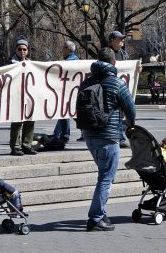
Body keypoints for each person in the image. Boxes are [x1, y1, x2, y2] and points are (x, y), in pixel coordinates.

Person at [82, 47, 136, 231]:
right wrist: (130, 125)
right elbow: (131, 108)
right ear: (113, 62)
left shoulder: (86, 81)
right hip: (108, 136)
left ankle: (101, 212)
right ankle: (96, 218)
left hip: (89, 136)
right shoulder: (116, 83)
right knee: (106, 177)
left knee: (104, 175)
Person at [9, 38, 37, 156]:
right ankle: (15, 146)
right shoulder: (10, 64)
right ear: (15, 50)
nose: (22, 51)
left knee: (30, 120)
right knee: (17, 122)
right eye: (19, 49)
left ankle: (27, 145)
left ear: (28, 51)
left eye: (24, 49)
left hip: (29, 96)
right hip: (16, 96)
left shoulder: (32, 64)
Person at [107, 31, 133, 148]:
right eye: (119, 39)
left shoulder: (124, 55)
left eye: (122, 38)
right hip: (111, 88)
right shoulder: (106, 53)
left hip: (122, 88)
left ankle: (120, 136)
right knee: (116, 113)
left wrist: (137, 69)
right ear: (112, 41)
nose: (122, 40)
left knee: (123, 114)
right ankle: (121, 138)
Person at [53, 41, 79, 144]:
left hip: (67, 91)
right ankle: (58, 134)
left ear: (68, 49)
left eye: (63, 48)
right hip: (75, 91)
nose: (62, 50)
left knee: (65, 113)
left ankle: (64, 135)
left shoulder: (67, 62)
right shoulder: (77, 60)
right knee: (70, 113)